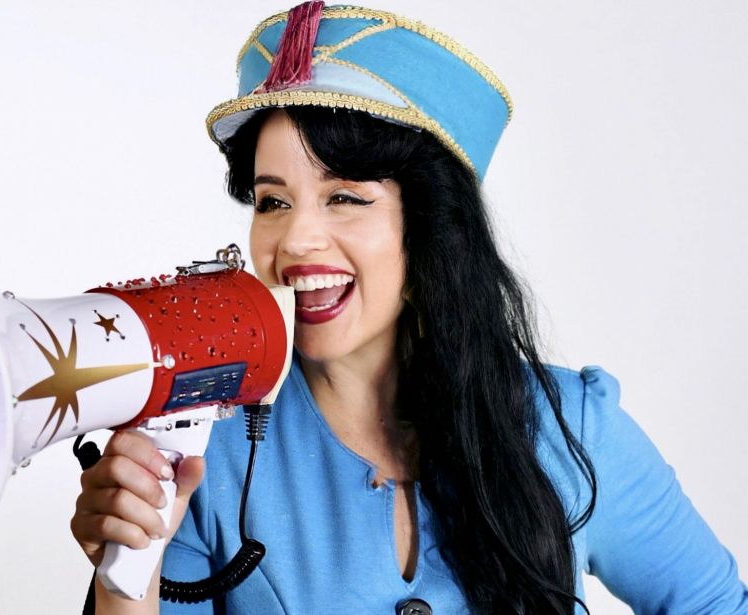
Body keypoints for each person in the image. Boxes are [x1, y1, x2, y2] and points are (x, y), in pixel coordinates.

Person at [70, 3, 748, 613]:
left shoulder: (571, 425)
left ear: (430, 227)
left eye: (345, 196)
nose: (294, 239)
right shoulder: (201, 453)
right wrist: (126, 566)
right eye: (272, 201)